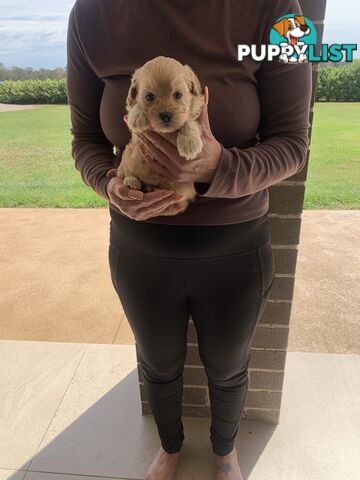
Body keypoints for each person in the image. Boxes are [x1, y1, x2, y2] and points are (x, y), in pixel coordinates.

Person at [66, 0, 312, 478]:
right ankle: (170, 448)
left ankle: (225, 451)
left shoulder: (283, 9)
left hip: (235, 247)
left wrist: (218, 167)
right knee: (157, 364)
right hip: (141, 247)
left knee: (228, 366)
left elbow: (294, 143)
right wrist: (110, 185)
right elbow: (84, 141)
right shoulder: (90, 13)